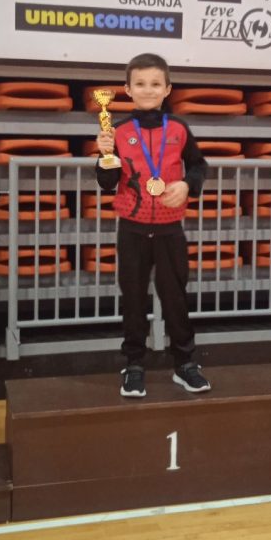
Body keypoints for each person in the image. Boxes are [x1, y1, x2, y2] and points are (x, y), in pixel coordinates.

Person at [95, 52, 211, 398]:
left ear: (167, 89)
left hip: (169, 228)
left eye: (155, 84)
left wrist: (187, 185)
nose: (148, 90)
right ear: (128, 89)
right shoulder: (116, 131)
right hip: (131, 228)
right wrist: (104, 157)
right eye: (141, 84)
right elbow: (107, 183)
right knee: (133, 298)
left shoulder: (179, 129)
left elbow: (198, 165)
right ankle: (133, 365)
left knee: (175, 297)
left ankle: (185, 364)